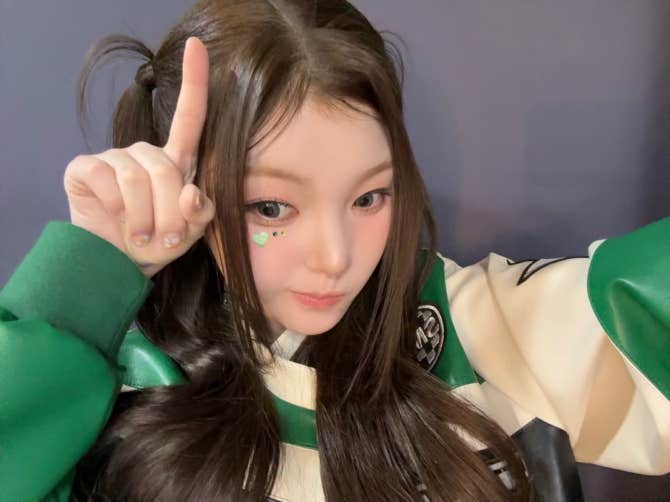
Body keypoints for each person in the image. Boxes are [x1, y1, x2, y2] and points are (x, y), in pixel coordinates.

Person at [0, 0, 668, 500]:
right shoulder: (120, 386)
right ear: (197, 191)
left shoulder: (476, 329)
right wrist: (77, 290)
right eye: (271, 207)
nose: (335, 258)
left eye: (369, 197)